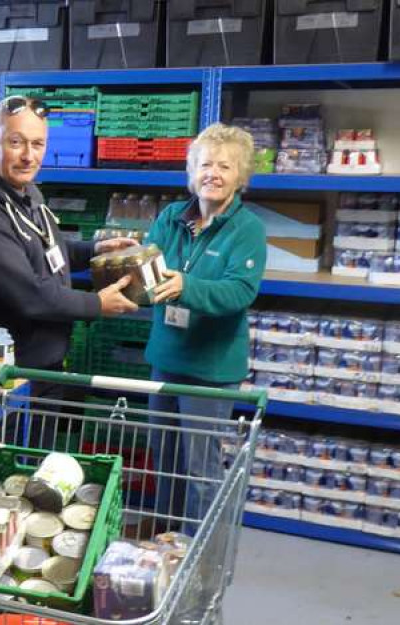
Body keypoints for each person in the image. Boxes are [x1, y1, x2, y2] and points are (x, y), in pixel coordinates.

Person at [0, 95, 138, 396]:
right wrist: (96, 304)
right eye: (16, 142)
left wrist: (94, 250)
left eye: (38, 144)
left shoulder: (22, 191)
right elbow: (29, 294)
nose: (28, 156)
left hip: (38, 365)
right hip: (5, 377)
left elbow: (41, 250)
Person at [144, 123, 267, 536]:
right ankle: (166, 543)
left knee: (199, 468)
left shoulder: (247, 229)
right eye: (205, 164)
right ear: (192, 170)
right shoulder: (169, 218)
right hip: (166, 357)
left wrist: (186, 286)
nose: (213, 173)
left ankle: (200, 552)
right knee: (166, 463)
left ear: (241, 177)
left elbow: (240, 291)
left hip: (211, 368)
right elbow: (148, 268)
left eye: (225, 166)